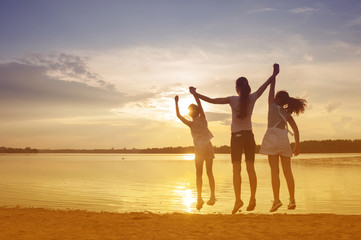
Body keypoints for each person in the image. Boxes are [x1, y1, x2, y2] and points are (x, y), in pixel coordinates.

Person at [190, 64, 279, 214]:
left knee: (236, 170)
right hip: (249, 137)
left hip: (236, 138)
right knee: (250, 169)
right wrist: (274, 74)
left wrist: (195, 94)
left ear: (237, 88)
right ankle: (252, 199)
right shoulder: (253, 97)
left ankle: (238, 200)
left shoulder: (232, 100)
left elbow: (211, 100)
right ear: (248, 88)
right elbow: (265, 85)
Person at [259, 65, 307, 212]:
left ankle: (277, 200)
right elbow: (296, 129)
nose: (273, 98)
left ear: (278, 99)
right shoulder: (286, 113)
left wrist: (275, 74)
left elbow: (271, 88)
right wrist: (297, 146)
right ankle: (292, 200)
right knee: (287, 171)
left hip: (271, 138)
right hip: (283, 140)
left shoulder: (272, 106)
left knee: (275, 172)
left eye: (275, 97)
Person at [174, 91, 216, 210]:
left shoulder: (202, 117)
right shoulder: (191, 124)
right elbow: (178, 116)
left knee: (208, 173)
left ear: (197, 112)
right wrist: (176, 103)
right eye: (189, 111)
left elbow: (199, 104)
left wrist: (194, 94)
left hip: (206, 148)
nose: (190, 112)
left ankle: (212, 196)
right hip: (200, 150)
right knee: (199, 174)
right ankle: (199, 198)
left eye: (191, 110)